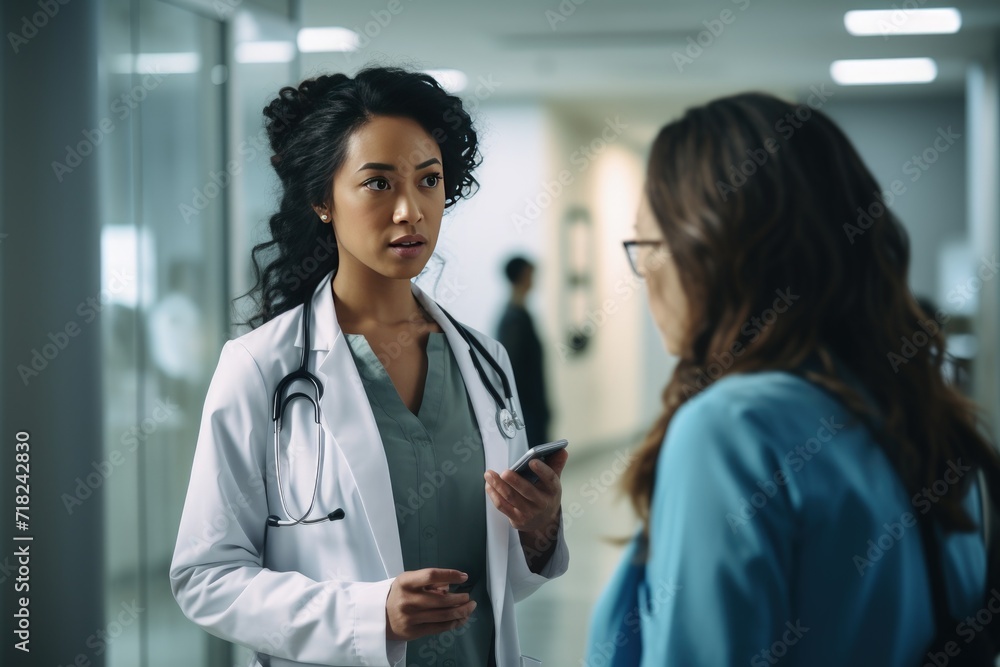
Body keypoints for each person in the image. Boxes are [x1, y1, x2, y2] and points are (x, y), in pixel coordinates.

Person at [169, 67, 568, 667]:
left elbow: (501, 574)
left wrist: (538, 530)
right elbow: (206, 576)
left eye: (428, 181)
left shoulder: (485, 362)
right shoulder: (260, 368)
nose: (410, 210)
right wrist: (367, 615)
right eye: (378, 184)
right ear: (322, 200)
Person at [585, 93, 1000, 665]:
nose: (645, 276)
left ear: (714, 250)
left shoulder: (731, 429)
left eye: (649, 245)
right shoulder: (917, 413)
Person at [497, 256, 551, 446]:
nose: (533, 280)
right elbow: (513, 371)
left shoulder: (520, 314)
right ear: (522, 276)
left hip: (531, 409)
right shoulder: (514, 319)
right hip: (526, 412)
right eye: (531, 275)